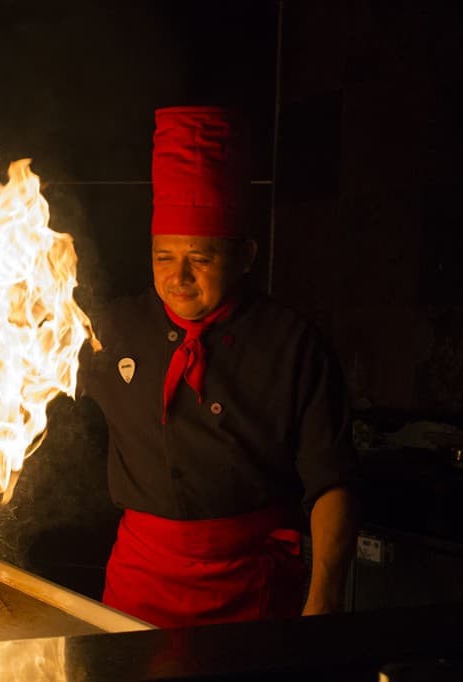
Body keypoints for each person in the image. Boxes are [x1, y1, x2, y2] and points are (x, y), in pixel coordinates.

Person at [80, 106, 360, 628]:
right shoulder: (109, 330)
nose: (178, 277)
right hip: (140, 582)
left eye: (201, 259)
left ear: (246, 256)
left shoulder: (293, 343)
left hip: (249, 588)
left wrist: (325, 600)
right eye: (164, 257)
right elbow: (9, 374)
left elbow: (332, 483)